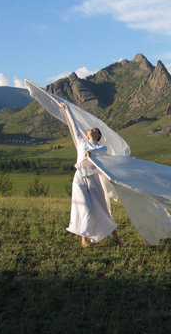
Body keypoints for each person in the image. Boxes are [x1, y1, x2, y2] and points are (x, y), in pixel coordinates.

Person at [59, 102, 123, 247]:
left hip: (94, 178)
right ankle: (84, 239)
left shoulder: (102, 147)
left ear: (99, 135)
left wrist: (91, 153)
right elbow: (73, 125)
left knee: (101, 208)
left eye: (96, 130)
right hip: (79, 177)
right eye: (91, 129)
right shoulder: (81, 141)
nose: (92, 129)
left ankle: (115, 236)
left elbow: (101, 152)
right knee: (83, 207)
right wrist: (66, 108)